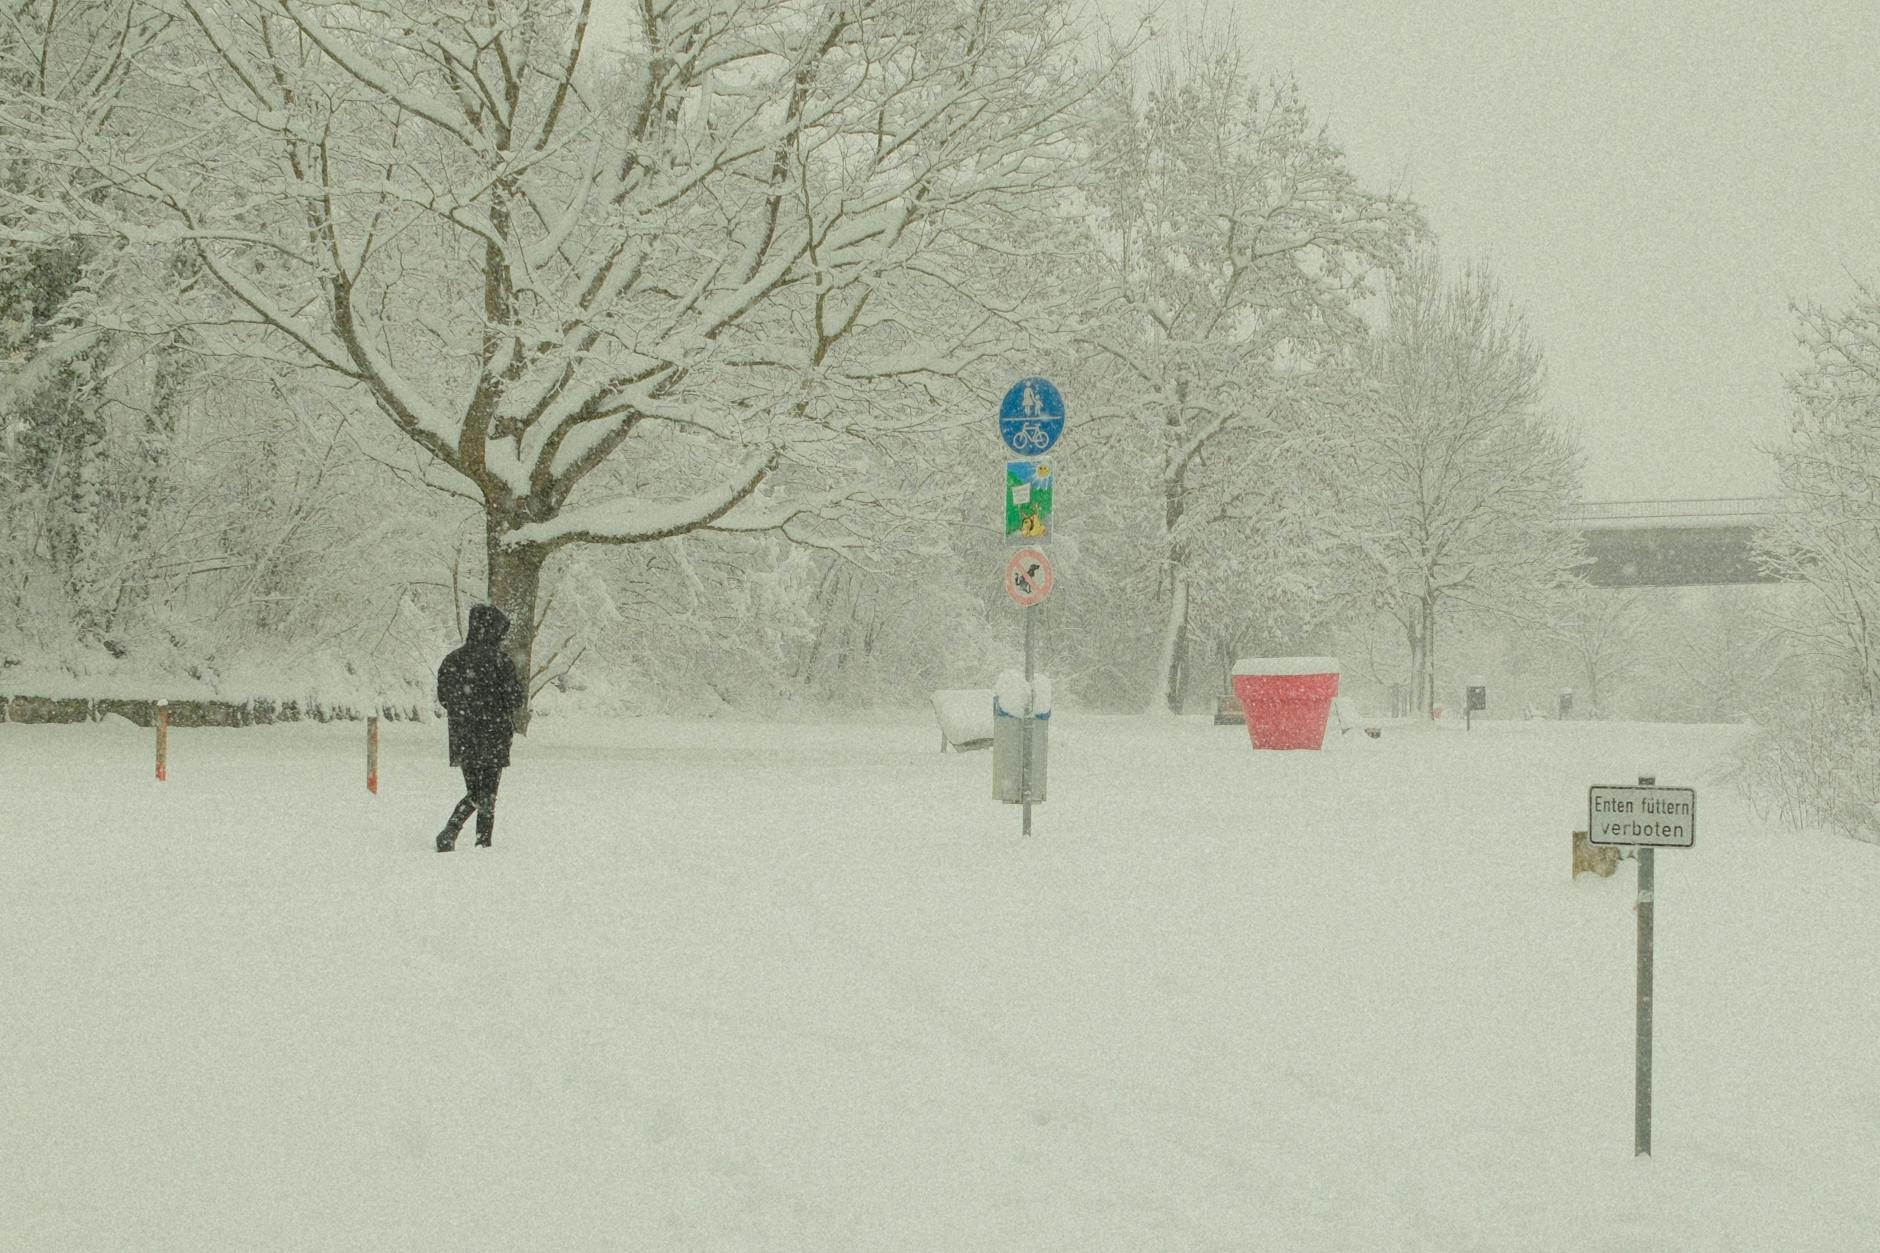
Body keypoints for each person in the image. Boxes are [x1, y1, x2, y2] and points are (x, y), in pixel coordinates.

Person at [435, 603, 526, 852]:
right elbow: (515, 699)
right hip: (494, 734)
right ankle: (479, 840)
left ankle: (457, 832)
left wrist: (465, 710)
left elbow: (444, 697)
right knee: (487, 792)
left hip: (463, 735)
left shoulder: (453, 659)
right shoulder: (500, 661)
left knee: (475, 789)